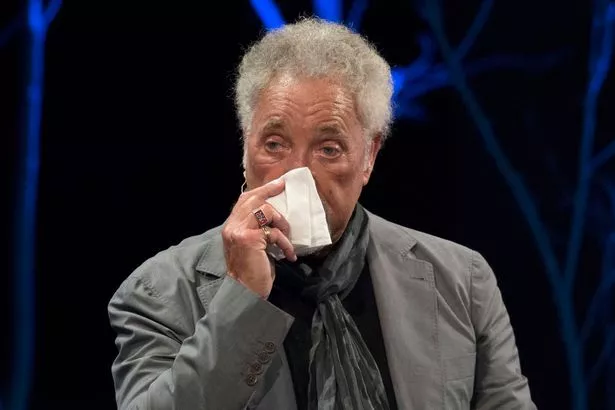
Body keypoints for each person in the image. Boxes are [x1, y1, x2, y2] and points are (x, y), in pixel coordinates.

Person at [108, 17, 536, 410]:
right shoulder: (158, 292)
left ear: (369, 157)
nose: (297, 174)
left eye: (329, 149)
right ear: (245, 146)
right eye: (274, 144)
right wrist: (241, 298)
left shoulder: (461, 281)